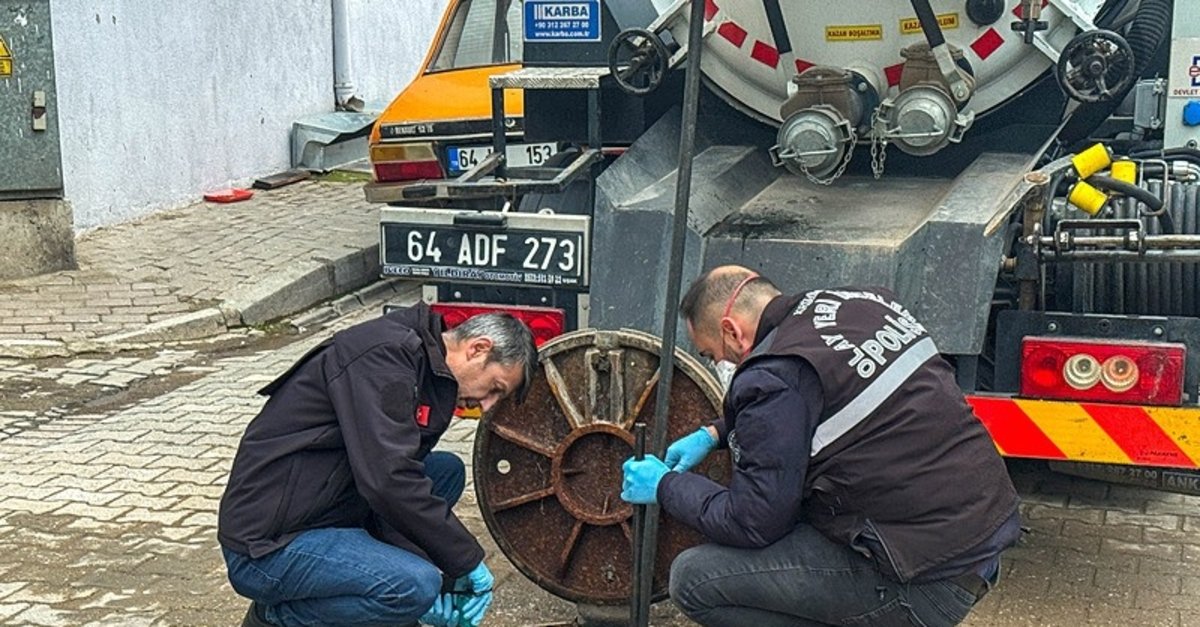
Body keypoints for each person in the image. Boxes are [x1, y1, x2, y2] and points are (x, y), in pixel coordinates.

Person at [621, 265, 1022, 627]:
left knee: (694, 577)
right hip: (977, 540)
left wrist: (665, 487)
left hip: (925, 582)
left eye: (714, 354)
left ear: (732, 330)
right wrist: (714, 433)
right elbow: (819, 394)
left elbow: (752, 522)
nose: (721, 362)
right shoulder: (860, 303)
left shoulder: (772, 374)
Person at [218, 304, 537, 627]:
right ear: (478, 349)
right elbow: (387, 480)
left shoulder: (428, 369)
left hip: (324, 508)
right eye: (494, 389)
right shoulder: (383, 357)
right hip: (268, 545)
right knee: (414, 586)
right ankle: (277, 615)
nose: (487, 406)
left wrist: (443, 576)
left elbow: (399, 475)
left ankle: (386, 590)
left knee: (445, 471)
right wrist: (465, 562)